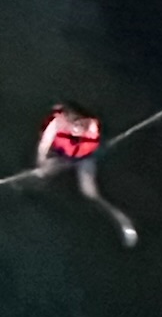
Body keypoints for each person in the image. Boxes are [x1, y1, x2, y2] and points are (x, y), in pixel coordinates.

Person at [36, 103, 137, 247]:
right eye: (73, 122)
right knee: (42, 173)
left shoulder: (91, 125)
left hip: (85, 158)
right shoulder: (56, 124)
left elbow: (94, 145)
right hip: (61, 156)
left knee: (89, 193)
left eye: (79, 123)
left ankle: (121, 219)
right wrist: (42, 163)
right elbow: (43, 147)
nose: (77, 128)